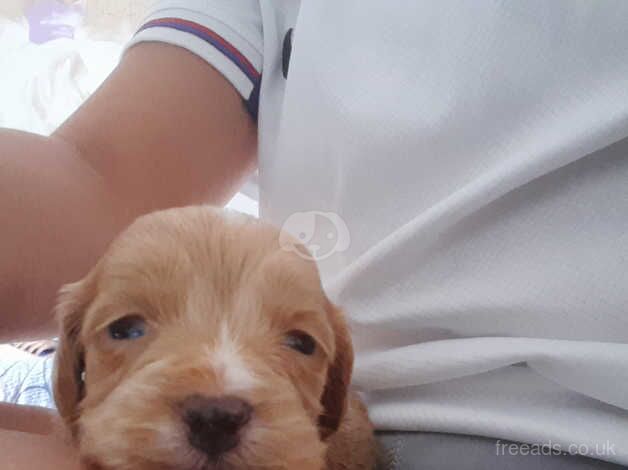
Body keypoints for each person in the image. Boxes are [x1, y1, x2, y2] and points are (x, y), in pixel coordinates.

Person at [1, 1, 627, 468]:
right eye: (127, 329)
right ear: (69, 369)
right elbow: (96, 171)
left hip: (571, 429)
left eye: (299, 343)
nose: (219, 391)